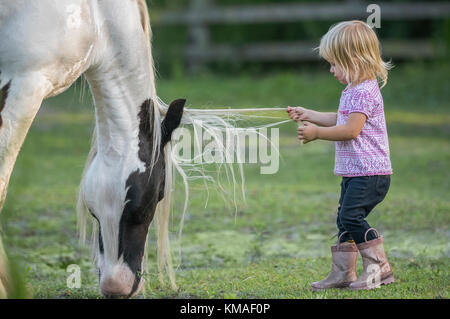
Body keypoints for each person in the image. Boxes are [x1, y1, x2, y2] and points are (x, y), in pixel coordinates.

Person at [287, 20, 395, 290]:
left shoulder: (363, 91)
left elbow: (350, 130)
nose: (331, 69)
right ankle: (343, 274)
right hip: (356, 172)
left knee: (351, 217)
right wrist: (310, 114)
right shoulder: (353, 90)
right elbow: (341, 118)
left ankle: (378, 269)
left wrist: (317, 134)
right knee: (344, 218)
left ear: (355, 60)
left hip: (370, 173)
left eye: (335, 63)